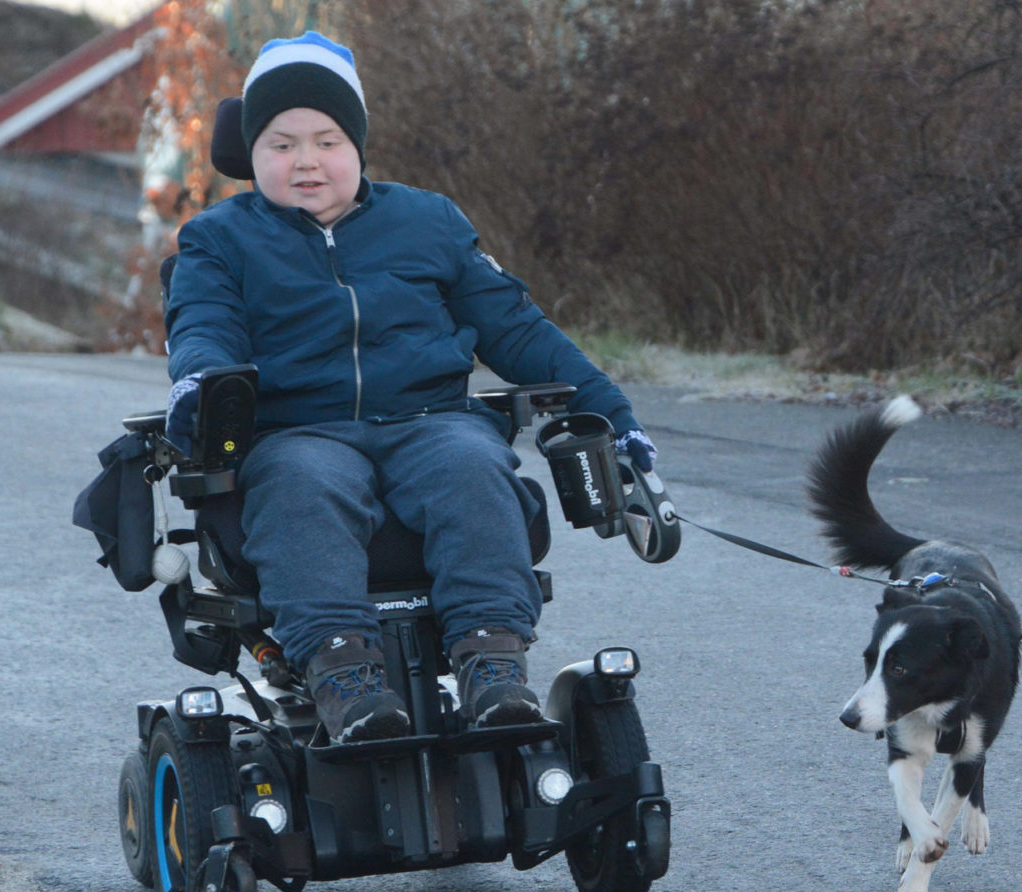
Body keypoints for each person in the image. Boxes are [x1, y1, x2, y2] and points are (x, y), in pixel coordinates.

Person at [162, 31, 657, 744]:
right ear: (252, 154)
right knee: (304, 483)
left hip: (429, 419)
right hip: (299, 432)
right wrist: (202, 383)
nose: (306, 161)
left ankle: (493, 664)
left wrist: (609, 413)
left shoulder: (428, 221)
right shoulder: (218, 239)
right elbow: (203, 324)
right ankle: (344, 680)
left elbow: (518, 332)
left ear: (357, 144)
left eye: (326, 139)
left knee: (472, 464)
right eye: (280, 143)